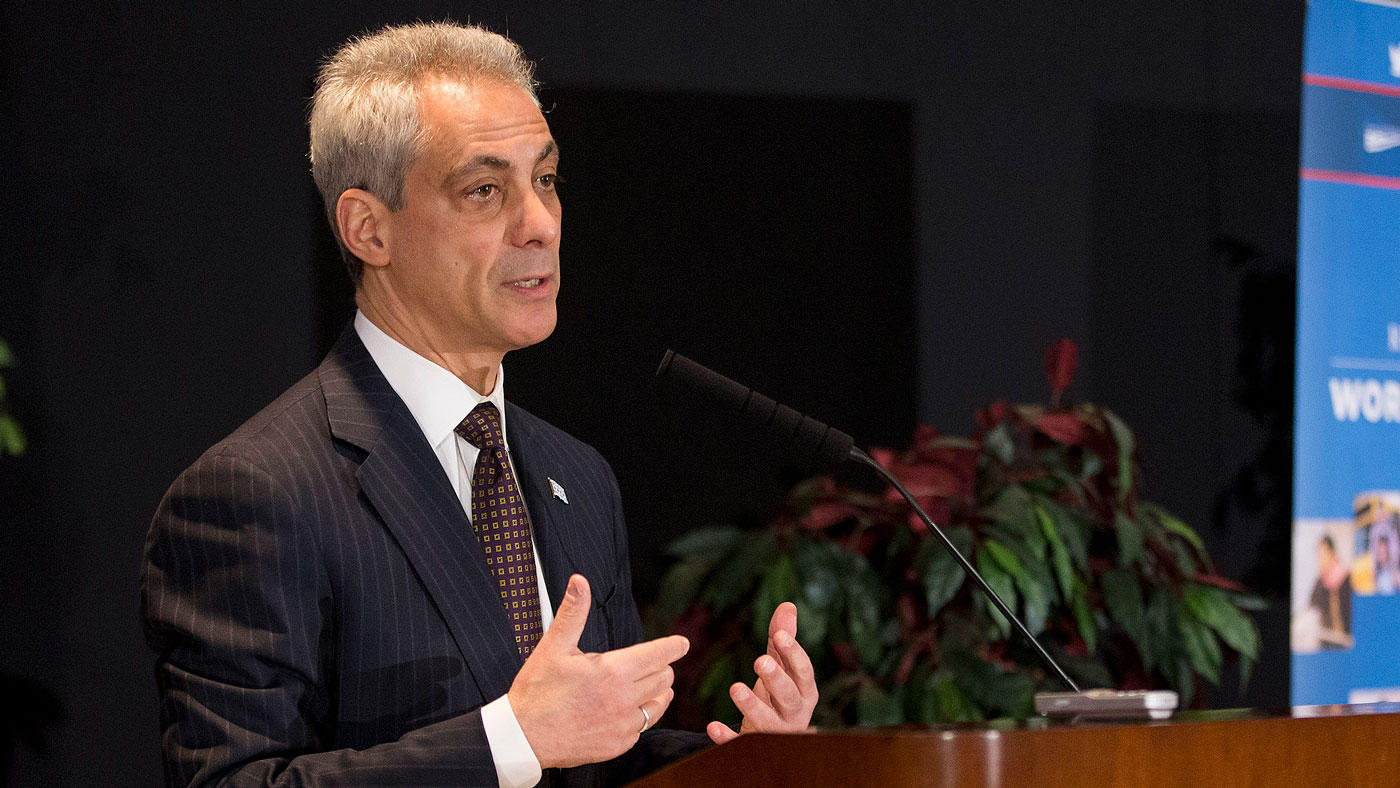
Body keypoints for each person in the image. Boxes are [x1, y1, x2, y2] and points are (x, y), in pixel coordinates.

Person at [139, 21, 817, 788]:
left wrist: (747, 765)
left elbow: (598, 759)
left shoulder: (578, 477)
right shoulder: (255, 494)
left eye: (547, 180)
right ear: (368, 228)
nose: (540, 224)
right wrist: (509, 741)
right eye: (484, 190)